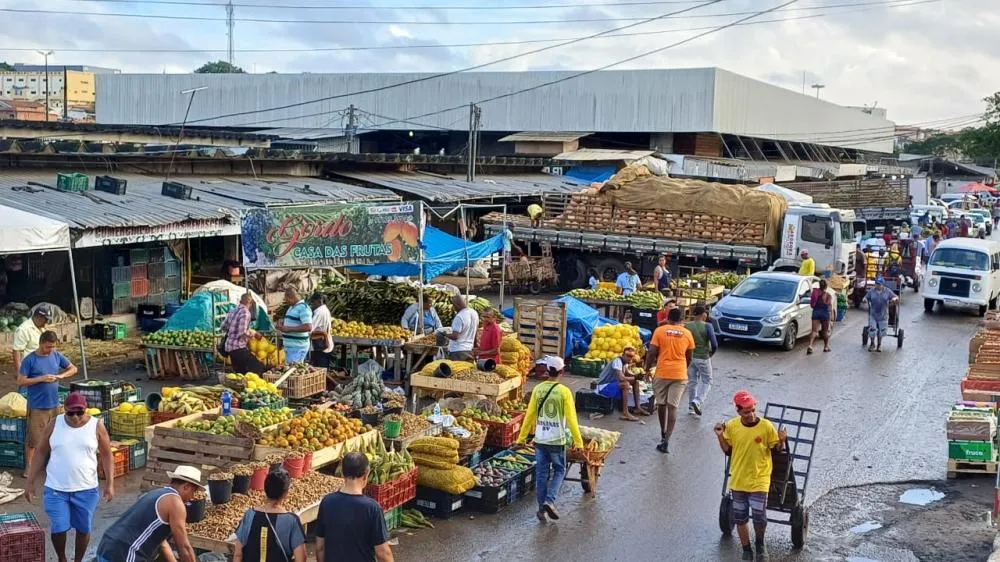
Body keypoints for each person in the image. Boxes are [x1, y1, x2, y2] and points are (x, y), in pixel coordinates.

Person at [25, 392, 114, 562]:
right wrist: (30, 481)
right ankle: (62, 558)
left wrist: (110, 483)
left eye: (79, 413)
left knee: (83, 528)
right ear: (64, 410)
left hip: (86, 489)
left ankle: (78, 560)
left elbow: (107, 455)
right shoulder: (54, 424)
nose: (75, 417)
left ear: (85, 410)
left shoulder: (96, 426)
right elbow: (40, 452)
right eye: (70, 413)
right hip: (56, 488)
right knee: (58, 527)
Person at [714, 391, 787, 560]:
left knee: (760, 517)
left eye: (753, 410)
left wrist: (781, 440)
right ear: (738, 411)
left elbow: (777, 450)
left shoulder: (766, 426)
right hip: (739, 479)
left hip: (759, 478)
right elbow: (728, 451)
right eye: (746, 412)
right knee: (740, 518)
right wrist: (719, 436)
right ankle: (746, 550)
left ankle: (760, 544)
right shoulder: (731, 426)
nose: (751, 414)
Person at [516, 355, 583, 522]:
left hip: (540, 439)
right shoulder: (564, 392)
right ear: (562, 372)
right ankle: (549, 501)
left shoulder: (538, 389)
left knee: (541, 474)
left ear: (548, 370)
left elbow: (529, 415)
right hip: (557, 440)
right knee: (560, 470)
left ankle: (541, 510)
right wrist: (578, 441)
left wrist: (521, 439)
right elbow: (572, 419)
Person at [95, 465, 201, 562]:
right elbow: (184, 548)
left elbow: (162, 543)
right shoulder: (175, 503)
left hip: (107, 546)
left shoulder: (155, 494)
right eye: (193, 491)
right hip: (125, 553)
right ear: (186, 487)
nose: (192, 497)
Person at [315, 452, 393, 562]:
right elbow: (383, 553)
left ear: (342, 473)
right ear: (366, 474)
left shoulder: (327, 502)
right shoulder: (372, 508)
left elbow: (320, 547)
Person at [20, 330, 77, 473]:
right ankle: (30, 467)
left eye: (52, 347)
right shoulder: (30, 360)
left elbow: (73, 368)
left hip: (54, 405)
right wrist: (41, 378)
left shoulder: (56, 355)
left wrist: (61, 376)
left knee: (56, 437)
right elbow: (21, 381)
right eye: (47, 347)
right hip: (38, 406)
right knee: (34, 439)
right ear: (40, 344)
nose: (50, 350)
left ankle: (53, 464)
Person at [644, 308, 695, 453]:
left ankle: (662, 432)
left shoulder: (660, 331)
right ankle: (667, 440)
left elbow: (652, 352)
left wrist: (647, 369)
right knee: (673, 407)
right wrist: (683, 368)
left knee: (661, 404)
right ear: (682, 319)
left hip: (662, 372)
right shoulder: (687, 334)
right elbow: (689, 356)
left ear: (667, 317)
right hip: (679, 374)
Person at [234, 469, 307, 562]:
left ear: (265, 489)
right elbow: (301, 558)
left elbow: (237, 555)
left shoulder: (249, 515)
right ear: (285, 494)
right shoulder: (291, 521)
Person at [594, 346, 649, 421]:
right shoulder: (617, 361)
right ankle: (625, 413)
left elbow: (627, 375)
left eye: (631, 356)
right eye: (628, 356)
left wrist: (638, 376)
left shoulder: (625, 363)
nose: (629, 358)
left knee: (635, 383)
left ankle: (638, 407)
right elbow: (621, 378)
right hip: (603, 387)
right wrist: (635, 377)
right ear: (623, 355)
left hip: (612, 385)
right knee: (625, 384)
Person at [685, 304, 718, 416]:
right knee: (707, 380)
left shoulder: (687, 326)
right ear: (703, 314)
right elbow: (714, 344)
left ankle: (691, 407)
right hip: (703, 357)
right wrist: (711, 354)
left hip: (690, 358)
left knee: (692, 382)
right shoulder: (708, 326)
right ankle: (698, 401)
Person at [220, 293, 264, 374]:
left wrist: (234, 328)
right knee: (258, 367)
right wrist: (253, 333)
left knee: (240, 372)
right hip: (238, 347)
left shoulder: (233, 310)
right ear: (250, 303)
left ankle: (240, 385)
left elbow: (223, 326)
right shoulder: (245, 313)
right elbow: (242, 332)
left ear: (240, 301)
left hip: (229, 347)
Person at [276, 287, 313, 365]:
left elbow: (308, 326)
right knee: (291, 372)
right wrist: (282, 322)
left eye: (285, 298)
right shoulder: (291, 307)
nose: (285, 301)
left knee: (293, 372)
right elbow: (294, 320)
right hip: (291, 347)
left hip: (297, 347)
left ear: (290, 297)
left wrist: (289, 329)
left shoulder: (303, 308)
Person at [11, 305, 50, 374]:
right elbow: (16, 351)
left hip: (41, 366)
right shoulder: (23, 330)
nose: (46, 322)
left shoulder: (42, 328)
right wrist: (19, 372)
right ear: (38, 317)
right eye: (45, 319)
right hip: (30, 369)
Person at [864, 276, 898, 352]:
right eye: (876, 284)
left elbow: (896, 297)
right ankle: (872, 344)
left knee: (881, 331)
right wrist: (865, 299)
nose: (877, 285)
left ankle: (879, 345)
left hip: (883, 315)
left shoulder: (887, 291)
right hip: (873, 315)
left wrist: (894, 299)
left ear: (883, 285)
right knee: (872, 330)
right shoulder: (872, 291)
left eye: (879, 284)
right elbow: (866, 297)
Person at [445, 295, 478, 361]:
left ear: (456, 305)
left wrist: (445, 334)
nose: (453, 308)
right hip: (469, 349)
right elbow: (475, 332)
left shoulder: (459, 316)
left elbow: (455, 336)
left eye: (453, 305)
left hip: (458, 351)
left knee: (457, 371)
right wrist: (475, 346)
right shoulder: (474, 313)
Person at [806, 279, 833, 355]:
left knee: (814, 331)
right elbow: (830, 308)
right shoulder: (828, 295)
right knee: (824, 332)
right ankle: (826, 347)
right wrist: (831, 320)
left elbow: (812, 304)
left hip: (816, 312)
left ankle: (810, 345)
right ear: (826, 287)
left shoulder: (815, 293)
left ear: (819, 285)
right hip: (824, 314)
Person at [309, 292, 333, 369]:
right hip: (324, 344)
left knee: (320, 369)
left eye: (313, 302)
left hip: (320, 345)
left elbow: (310, 328)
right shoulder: (324, 310)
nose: (312, 305)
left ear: (319, 301)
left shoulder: (320, 312)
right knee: (323, 369)